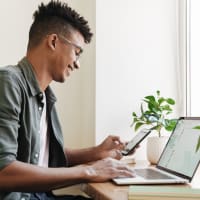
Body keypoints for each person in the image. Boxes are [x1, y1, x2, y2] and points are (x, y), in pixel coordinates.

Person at [0, 1, 136, 200]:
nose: (77, 64)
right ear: (53, 42)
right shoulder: (8, 82)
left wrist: (96, 153)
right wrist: (88, 171)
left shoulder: (45, 96)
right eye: (77, 52)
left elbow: (43, 156)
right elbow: (3, 171)